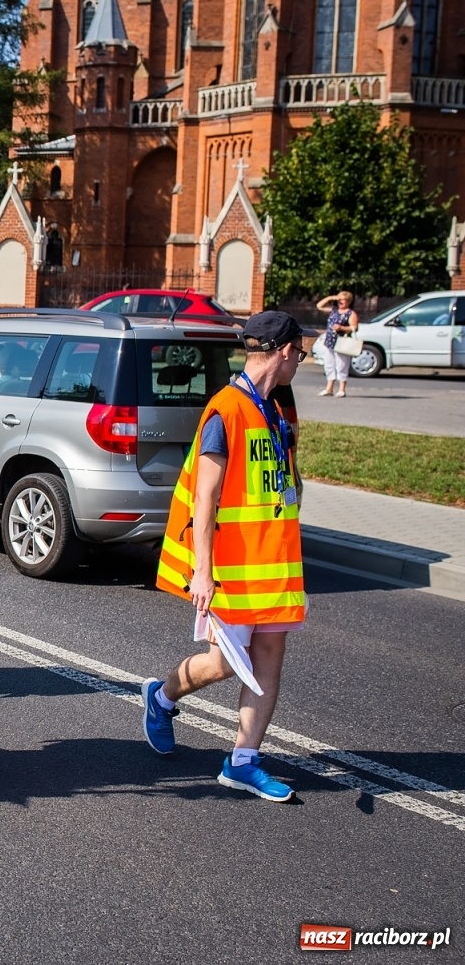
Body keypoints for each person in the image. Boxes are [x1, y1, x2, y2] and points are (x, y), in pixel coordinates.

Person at [143, 311, 308, 803]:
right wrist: (203, 571)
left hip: (273, 566)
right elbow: (206, 499)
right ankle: (162, 696)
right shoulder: (227, 410)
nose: (301, 359)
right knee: (223, 665)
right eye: (300, 351)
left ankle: (243, 761)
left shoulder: (274, 409)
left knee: (269, 660)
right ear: (282, 350)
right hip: (232, 571)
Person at [314, 291, 359, 398]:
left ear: (348, 301)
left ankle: (342, 389)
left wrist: (342, 328)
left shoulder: (350, 313)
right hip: (330, 341)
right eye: (339, 300)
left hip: (342, 342)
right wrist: (330, 297)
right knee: (329, 365)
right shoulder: (334, 310)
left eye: (342, 300)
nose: (340, 302)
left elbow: (354, 327)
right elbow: (319, 306)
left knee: (341, 365)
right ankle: (329, 388)